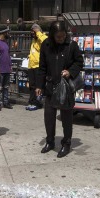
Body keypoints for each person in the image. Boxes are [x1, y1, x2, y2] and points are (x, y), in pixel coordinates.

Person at [36, 20, 84, 158]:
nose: (61, 39)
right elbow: (42, 67)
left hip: (66, 87)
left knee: (66, 117)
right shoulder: (46, 45)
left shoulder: (71, 45)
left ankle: (66, 143)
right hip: (51, 86)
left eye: (63, 36)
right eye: (58, 37)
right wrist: (39, 85)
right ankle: (50, 141)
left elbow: (79, 62)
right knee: (49, 116)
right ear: (52, 35)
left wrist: (70, 71)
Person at [26, 23, 47, 111]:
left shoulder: (42, 38)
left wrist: (38, 32)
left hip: (38, 65)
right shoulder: (34, 41)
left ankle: (37, 103)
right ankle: (31, 101)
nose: (32, 34)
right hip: (31, 65)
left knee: (38, 86)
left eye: (33, 32)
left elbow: (45, 41)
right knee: (32, 85)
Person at [0, 27, 13, 110]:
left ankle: (6, 102)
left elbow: (8, 55)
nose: (8, 34)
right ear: (2, 33)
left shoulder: (5, 42)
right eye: (6, 33)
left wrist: (10, 65)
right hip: (0, 69)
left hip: (7, 68)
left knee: (6, 87)